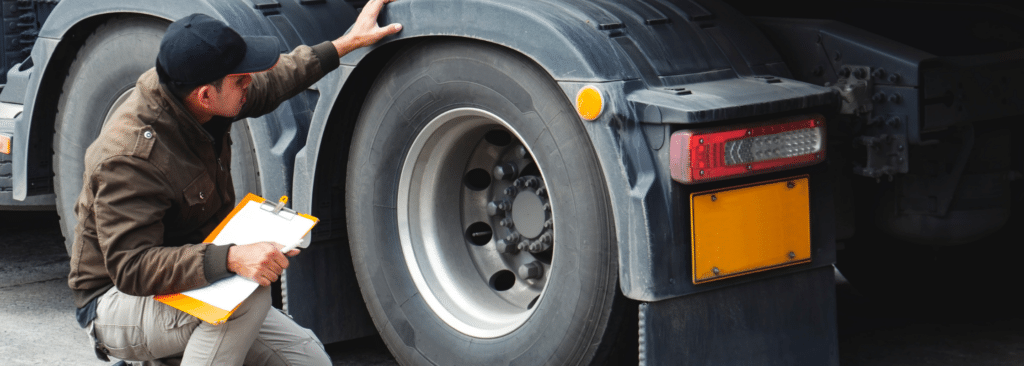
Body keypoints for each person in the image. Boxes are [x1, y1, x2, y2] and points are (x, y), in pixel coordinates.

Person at [66, 1, 402, 365]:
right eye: (241, 80)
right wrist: (231, 257)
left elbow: (275, 79)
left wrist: (346, 43)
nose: (250, 85)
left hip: (192, 279)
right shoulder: (130, 158)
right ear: (206, 95)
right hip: (118, 302)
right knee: (251, 296)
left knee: (308, 359)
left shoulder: (198, 95)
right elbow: (132, 268)